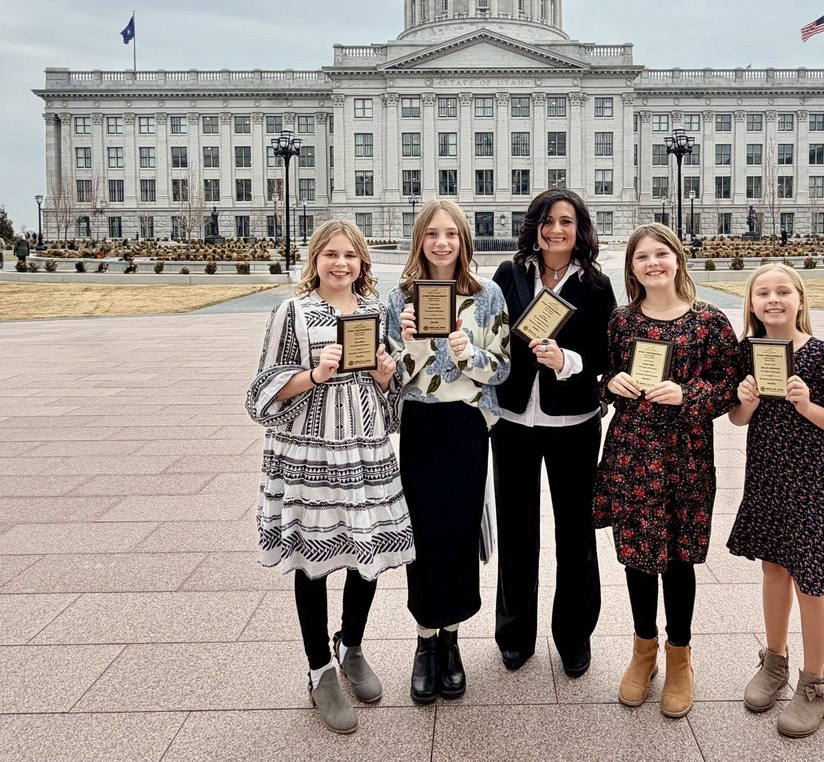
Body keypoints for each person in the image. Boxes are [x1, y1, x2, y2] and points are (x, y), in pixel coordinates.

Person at [245, 220, 414, 735]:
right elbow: (261, 391)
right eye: (331, 254)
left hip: (365, 451)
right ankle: (319, 668)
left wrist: (388, 377)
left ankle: (352, 644)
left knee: (367, 555)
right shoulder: (291, 313)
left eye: (350, 256)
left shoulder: (371, 313)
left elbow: (390, 397)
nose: (341, 264)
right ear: (315, 260)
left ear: (363, 263)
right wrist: (314, 374)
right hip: (310, 455)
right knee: (314, 562)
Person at [594, 223, 739, 718]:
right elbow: (599, 377)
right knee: (636, 555)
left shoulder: (710, 322)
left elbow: (733, 388)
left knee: (678, 557)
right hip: (633, 452)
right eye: (642, 258)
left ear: (677, 258)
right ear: (632, 268)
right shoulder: (621, 322)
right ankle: (643, 650)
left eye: (661, 254)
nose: (652, 263)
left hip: (685, 455)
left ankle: (680, 656)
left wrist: (689, 394)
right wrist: (611, 382)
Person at [726, 263, 824, 738]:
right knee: (773, 568)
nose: (774, 299)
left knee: (812, 580)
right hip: (767, 478)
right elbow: (739, 420)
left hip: (813, 482)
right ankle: (775, 660)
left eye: (783, 291)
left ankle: (815, 682)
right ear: (752, 304)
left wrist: (810, 407)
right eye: (763, 293)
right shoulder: (748, 353)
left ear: (800, 300)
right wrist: (746, 399)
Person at [386, 200, 510, 705]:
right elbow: (390, 375)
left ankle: (452, 638)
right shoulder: (399, 297)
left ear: (464, 240)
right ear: (420, 239)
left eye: (451, 234)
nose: (442, 243)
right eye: (432, 233)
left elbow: (501, 368)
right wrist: (414, 346)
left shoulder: (487, 295)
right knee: (424, 532)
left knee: (458, 533)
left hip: (466, 423)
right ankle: (424, 640)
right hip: (421, 422)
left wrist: (467, 353)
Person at [491, 188, 616, 677]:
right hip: (515, 423)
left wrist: (568, 361)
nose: (555, 230)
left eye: (566, 221)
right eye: (546, 220)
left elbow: (607, 362)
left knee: (576, 535)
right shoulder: (509, 275)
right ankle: (515, 634)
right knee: (517, 533)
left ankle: (574, 636)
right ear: (534, 226)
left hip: (574, 425)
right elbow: (492, 338)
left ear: (579, 228)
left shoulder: (597, 286)